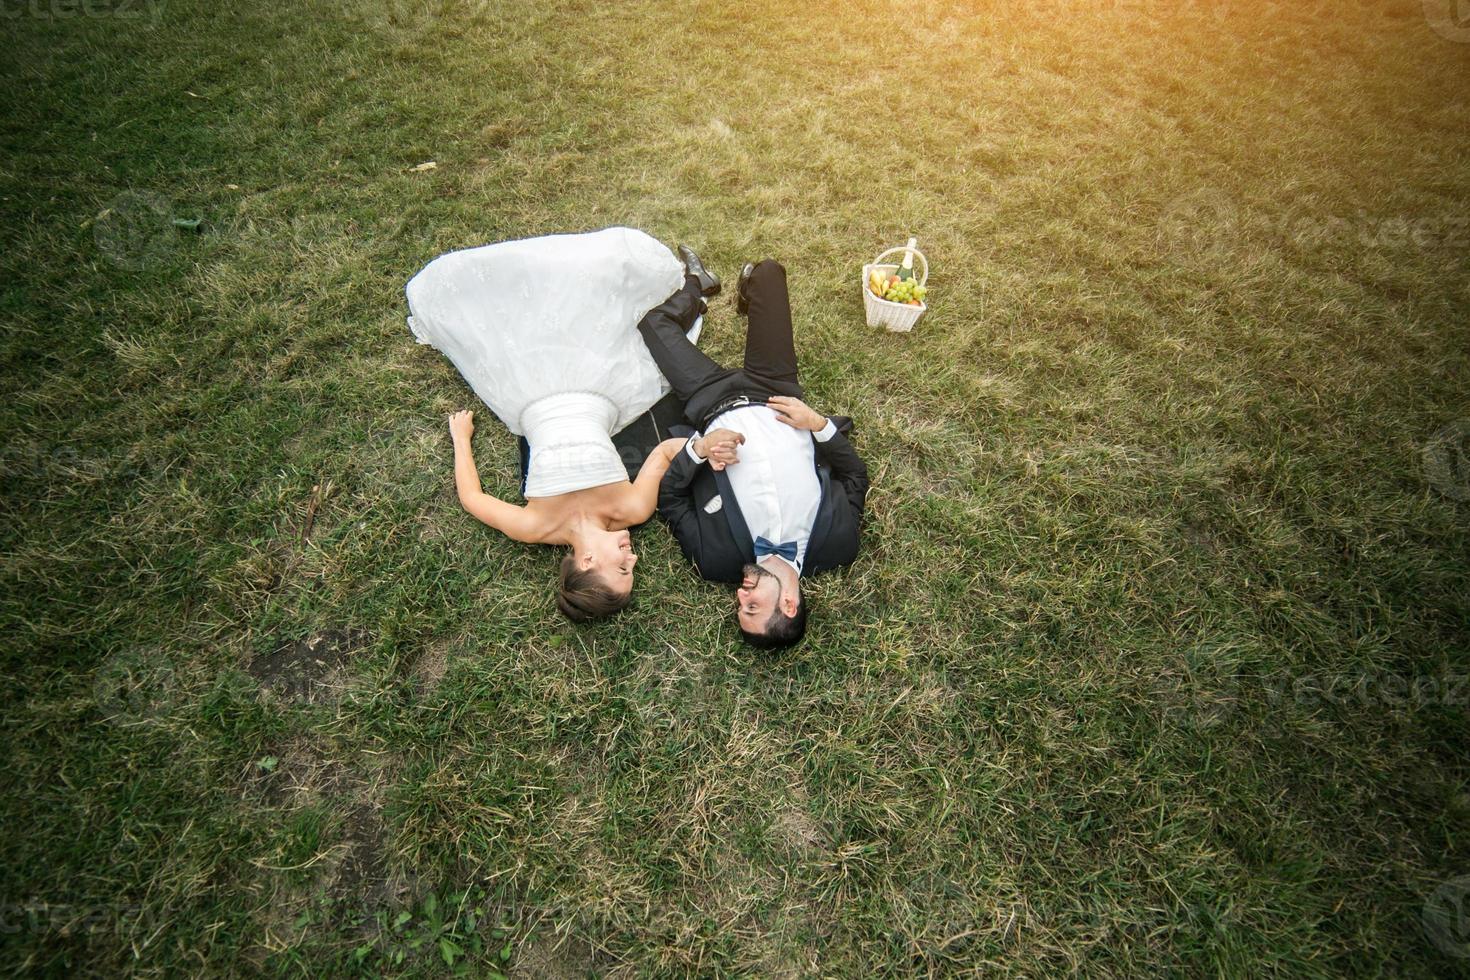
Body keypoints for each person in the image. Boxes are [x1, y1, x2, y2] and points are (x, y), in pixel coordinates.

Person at [405, 228, 718, 621]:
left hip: (529, 394)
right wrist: (705, 448)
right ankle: (696, 287)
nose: (633, 556)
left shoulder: (535, 527)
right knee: (608, 305)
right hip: (602, 389)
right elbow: (664, 452)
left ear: (586, 560)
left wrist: (461, 439)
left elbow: (473, 500)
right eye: (632, 567)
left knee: (507, 318)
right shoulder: (634, 509)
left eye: (623, 567)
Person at [637, 253, 870, 648]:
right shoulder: (840, 545)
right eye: (751, 607)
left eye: (739, 606)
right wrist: (818, 426)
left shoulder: (715, 561)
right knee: (769, 272)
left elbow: (671, 498)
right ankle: (749, 292)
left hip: (708, 399)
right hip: (773, 387)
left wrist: (699, 451)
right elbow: (855, 476)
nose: (740, 597)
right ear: (790, 604)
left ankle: (699, 285)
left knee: (655, 326)